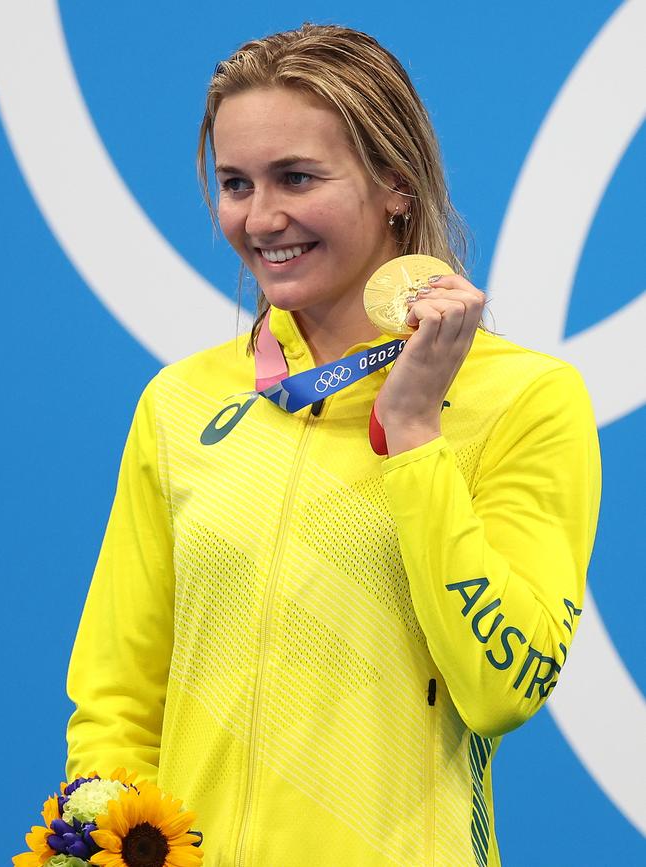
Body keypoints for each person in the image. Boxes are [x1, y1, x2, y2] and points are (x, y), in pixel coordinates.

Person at [65, 23, 601, 867]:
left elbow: (502, 686)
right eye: (235, 183)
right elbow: (118, 694)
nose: (260, 216)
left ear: (395, 185)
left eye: (297, 178)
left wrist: (416, 432)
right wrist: (98, 844)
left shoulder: (526, 399)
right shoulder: (181, 402)